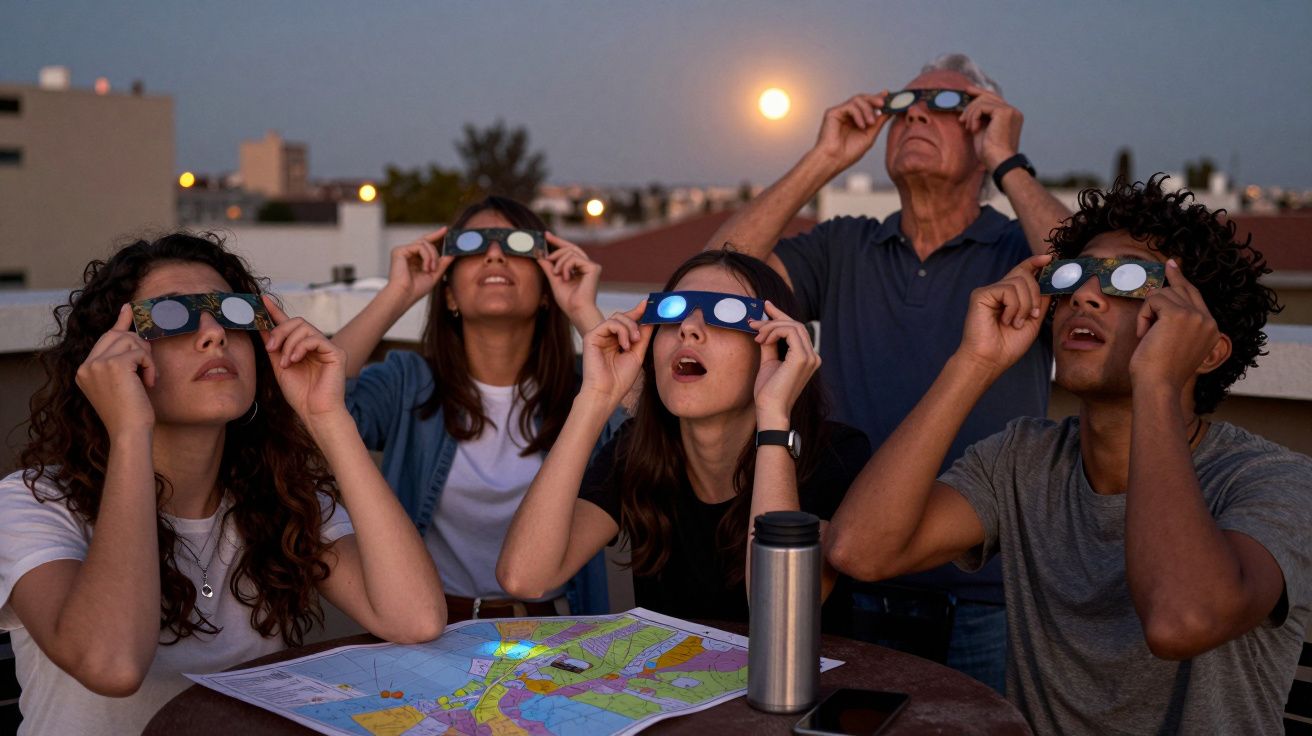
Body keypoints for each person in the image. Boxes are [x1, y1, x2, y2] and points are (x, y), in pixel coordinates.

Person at [826, 175, 1311, 733]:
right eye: (1075, 274)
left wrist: (1155, 382)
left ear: (1205, 347)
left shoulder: (1275, 483)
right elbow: (859, 550)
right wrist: (973, 363)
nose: (1083, 294)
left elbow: (1182, 620)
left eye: (1129, 278)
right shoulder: (1025, 459)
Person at [704, 52, 1070, 688]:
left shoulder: (1019, 252)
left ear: (986, 127)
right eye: (905, 104)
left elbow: (1087, 274)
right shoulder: (845, 244)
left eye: (948, 104)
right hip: (847, 575)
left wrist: (1007, 160)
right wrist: (824, 158)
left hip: (986, 594)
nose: (918, 112)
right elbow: (717, 281)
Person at [0, 233, 445, 735]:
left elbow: (415, 618)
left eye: (232, 313)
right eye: (172, 317)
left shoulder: (278, 495)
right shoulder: (34, 503)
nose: (213, 334)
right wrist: (128, 431)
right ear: (112, 355)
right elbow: (112, 665)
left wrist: (327, 417)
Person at [497, 249, 870, 622]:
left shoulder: (835, 454)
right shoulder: (638, 452)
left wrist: (774, 416)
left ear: (778, 349)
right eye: (673, 311)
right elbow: (525, 577)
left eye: (727, 313)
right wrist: (595, 397)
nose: (688, 328)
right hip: (675, 680)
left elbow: (780, 610)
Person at [332, 195, 619, 621]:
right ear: (448, 294)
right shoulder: (408, 382)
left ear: (546, 292)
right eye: (471, 245)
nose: (495, 254)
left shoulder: (586, 394)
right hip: (434, 627)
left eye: (518, 244)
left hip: (556, 627)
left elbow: (647, 435)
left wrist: (582, 309)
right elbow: (314, 404)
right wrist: (397, 294)